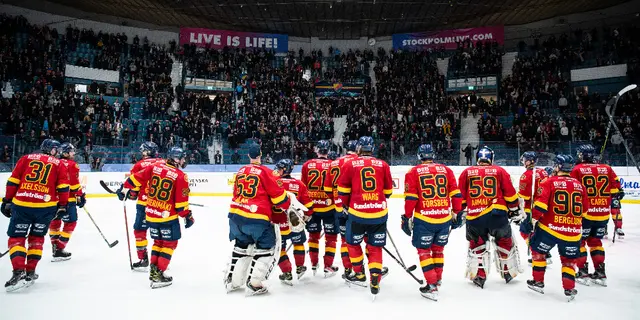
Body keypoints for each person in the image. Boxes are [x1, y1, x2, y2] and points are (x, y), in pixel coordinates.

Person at [223, 144, 306, 295]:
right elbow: (278, 197)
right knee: (267, 249)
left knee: (241, 248)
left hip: (236, 216)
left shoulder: (241, 171)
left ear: (248, 155)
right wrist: (288, 206)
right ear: (261, 155)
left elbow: (236, 192)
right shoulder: (265, 172)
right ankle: (255, 283)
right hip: (256, 218)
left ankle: (232, 281)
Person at [1, 139, 70, 292]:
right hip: (45, 208)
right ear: (51, 149)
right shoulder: (58, 164)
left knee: (17, 238)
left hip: (22, 204)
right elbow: (63, 187)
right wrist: (63, 205)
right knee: (36, 238)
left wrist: (7, 200)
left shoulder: (25, 158)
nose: (57, 152)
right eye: (55, 149)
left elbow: (13, 181)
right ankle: (30, 271)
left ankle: (18, 271)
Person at [121, 147, 194, 288]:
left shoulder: (155, 167)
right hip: (167, 217)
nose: (185, 160)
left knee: (157, 242)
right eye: (183, 158)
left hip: (150, 213)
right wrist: (188, 216)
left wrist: (123, 189)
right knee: (169, 244)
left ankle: (154, 270)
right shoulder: (180, 176)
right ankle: (159, 273)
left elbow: (134, 178)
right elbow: (180, 205)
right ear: (177, 159)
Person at [458, 146, 524, 289]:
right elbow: (511, 194)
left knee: (477, 246)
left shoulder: (466, 172)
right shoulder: (500, 171)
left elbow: (460, 198)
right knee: (505, 242)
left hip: (475, 217)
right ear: (491, 159)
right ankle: (508, 271)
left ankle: (479, 275)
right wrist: (514, 210)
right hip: (497, 215)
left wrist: (458, 212)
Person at [402, 144, 463, 300]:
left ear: (419, 156)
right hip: (444, 218)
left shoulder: (413, 172)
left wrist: (407, 216)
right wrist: (457, 212)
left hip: (424, 219)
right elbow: (456, 194)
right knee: (438, 250)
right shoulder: (446, 170)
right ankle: (438, 278)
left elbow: (411, 198)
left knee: (424, 252)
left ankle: (431, 285)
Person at [337, 136, 393, 297]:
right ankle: (375, 276)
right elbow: (388, 192)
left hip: (357, 214)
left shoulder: (350, 164)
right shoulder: (383, 164)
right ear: (372, 149)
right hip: (379, 214)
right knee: (375, 247)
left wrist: (346, 206)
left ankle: (359, 274)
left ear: (359, 149)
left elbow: (343, 191)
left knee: (353, 244)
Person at [529, 154, 587, 301]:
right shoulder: (580, 185)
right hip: (573, 232)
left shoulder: (549, 182)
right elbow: (584, 211)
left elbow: (540, 207)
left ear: (557, 166)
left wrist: (531, 220)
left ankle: (538, 282)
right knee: (568, 260)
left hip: (550, 229)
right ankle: (569, 288)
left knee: (538, 252)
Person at [570, 144, 621, 286]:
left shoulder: (577, 169)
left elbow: (572, 190)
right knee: (596, 243)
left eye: (580, 154)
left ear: (583, 155)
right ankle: (600, 272)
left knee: (579, 242)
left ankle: (582, 271)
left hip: (584, 214)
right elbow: (617, 189)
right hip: (603, 214)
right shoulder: (607, 168)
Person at [117, 141, 164, 271]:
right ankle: (161, 259)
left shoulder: (139, 165)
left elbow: (134, 186)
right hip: (161, 205)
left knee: (140, 230)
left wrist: (128, 193)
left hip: (145, 204)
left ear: (147, 152)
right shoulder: (164, 163)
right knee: (160, 233)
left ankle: (143, 258)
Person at [272, 159, 314, 284]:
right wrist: (307, 216)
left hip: (278, 223)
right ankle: (300, 266)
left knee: (280, 249)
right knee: (298, 243)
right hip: (295, 222)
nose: (277, 170)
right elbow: (309, 205)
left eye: (279, 168)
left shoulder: (274, 182)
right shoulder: (299, 184)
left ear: (284, 170)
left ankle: (286, 272)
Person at [301, 140, 338, 276]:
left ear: (317, 150)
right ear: (328, 151)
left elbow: (303, 188)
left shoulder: (307, 165)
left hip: (312, 208)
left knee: (313, 237)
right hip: (329, 207)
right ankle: (328, 266)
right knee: (331, 238)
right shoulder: (334, 165)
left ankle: (313, 264)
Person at [324, 140, 358, 279]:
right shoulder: (359, 161)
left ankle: (348, 269)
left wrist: (338, 201)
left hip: (339, 207)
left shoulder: (334, 163)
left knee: (345, 240)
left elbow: (327, 189)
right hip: (358, 208)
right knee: (366, 238)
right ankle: (372, 268)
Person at [49, 143, 86, 262]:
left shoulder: (54, 162)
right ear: (65, 153)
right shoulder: (72, 165)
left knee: (55, 222)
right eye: (71, 151)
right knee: (71, 223)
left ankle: (54, 247)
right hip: (67, 199)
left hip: (52, 199)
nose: (73, 153)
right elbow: (74, 183)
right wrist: (80, 195)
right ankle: (59, 248)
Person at [517, 151, 550, 264]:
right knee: (538, 232)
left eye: (525, 159)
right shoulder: (544, 172)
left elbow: (524, 196)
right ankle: (545, 253)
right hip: (544, 207)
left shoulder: (526, 175)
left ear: (530, 161)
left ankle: (538, 254)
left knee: (524, 231)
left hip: (531, 209)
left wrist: (518, 194)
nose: (523, 162)